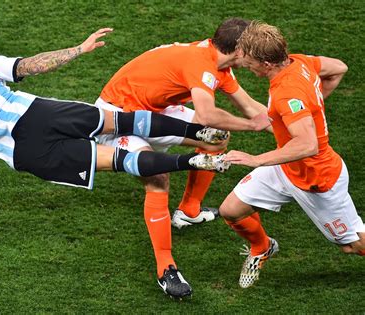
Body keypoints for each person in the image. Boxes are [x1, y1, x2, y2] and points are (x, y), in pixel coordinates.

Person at [0, 28, 234, 295]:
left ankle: (190, 163)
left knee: (122, 160)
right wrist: (78, 49)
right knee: (123, 122)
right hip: (39, 114)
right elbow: (28, 66)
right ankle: (198, 136)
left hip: (28, 155)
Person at [95, 18, 271, 298]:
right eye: (253, 47)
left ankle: (189, 210)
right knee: (157, 178)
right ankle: (165, 268)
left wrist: (295, 133)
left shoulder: (219, 63)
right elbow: (206, 115)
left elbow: (251, 107)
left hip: (155, 111)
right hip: (118, 117)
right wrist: (252, 126)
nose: (258, 53)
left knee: (218, 138)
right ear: (240, 50)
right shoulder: (200, 62)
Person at [220, 21, 365, 289]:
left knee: (354, 245)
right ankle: (262, 248)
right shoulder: (299, 62)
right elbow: (338, 68)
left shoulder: (287, 93)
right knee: (232, 210)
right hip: (286, 166)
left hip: (316, 179)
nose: (245, 64)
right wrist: (312, 104)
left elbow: (308, 145)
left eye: (249, 60)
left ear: (266, 63)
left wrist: (255, 160)